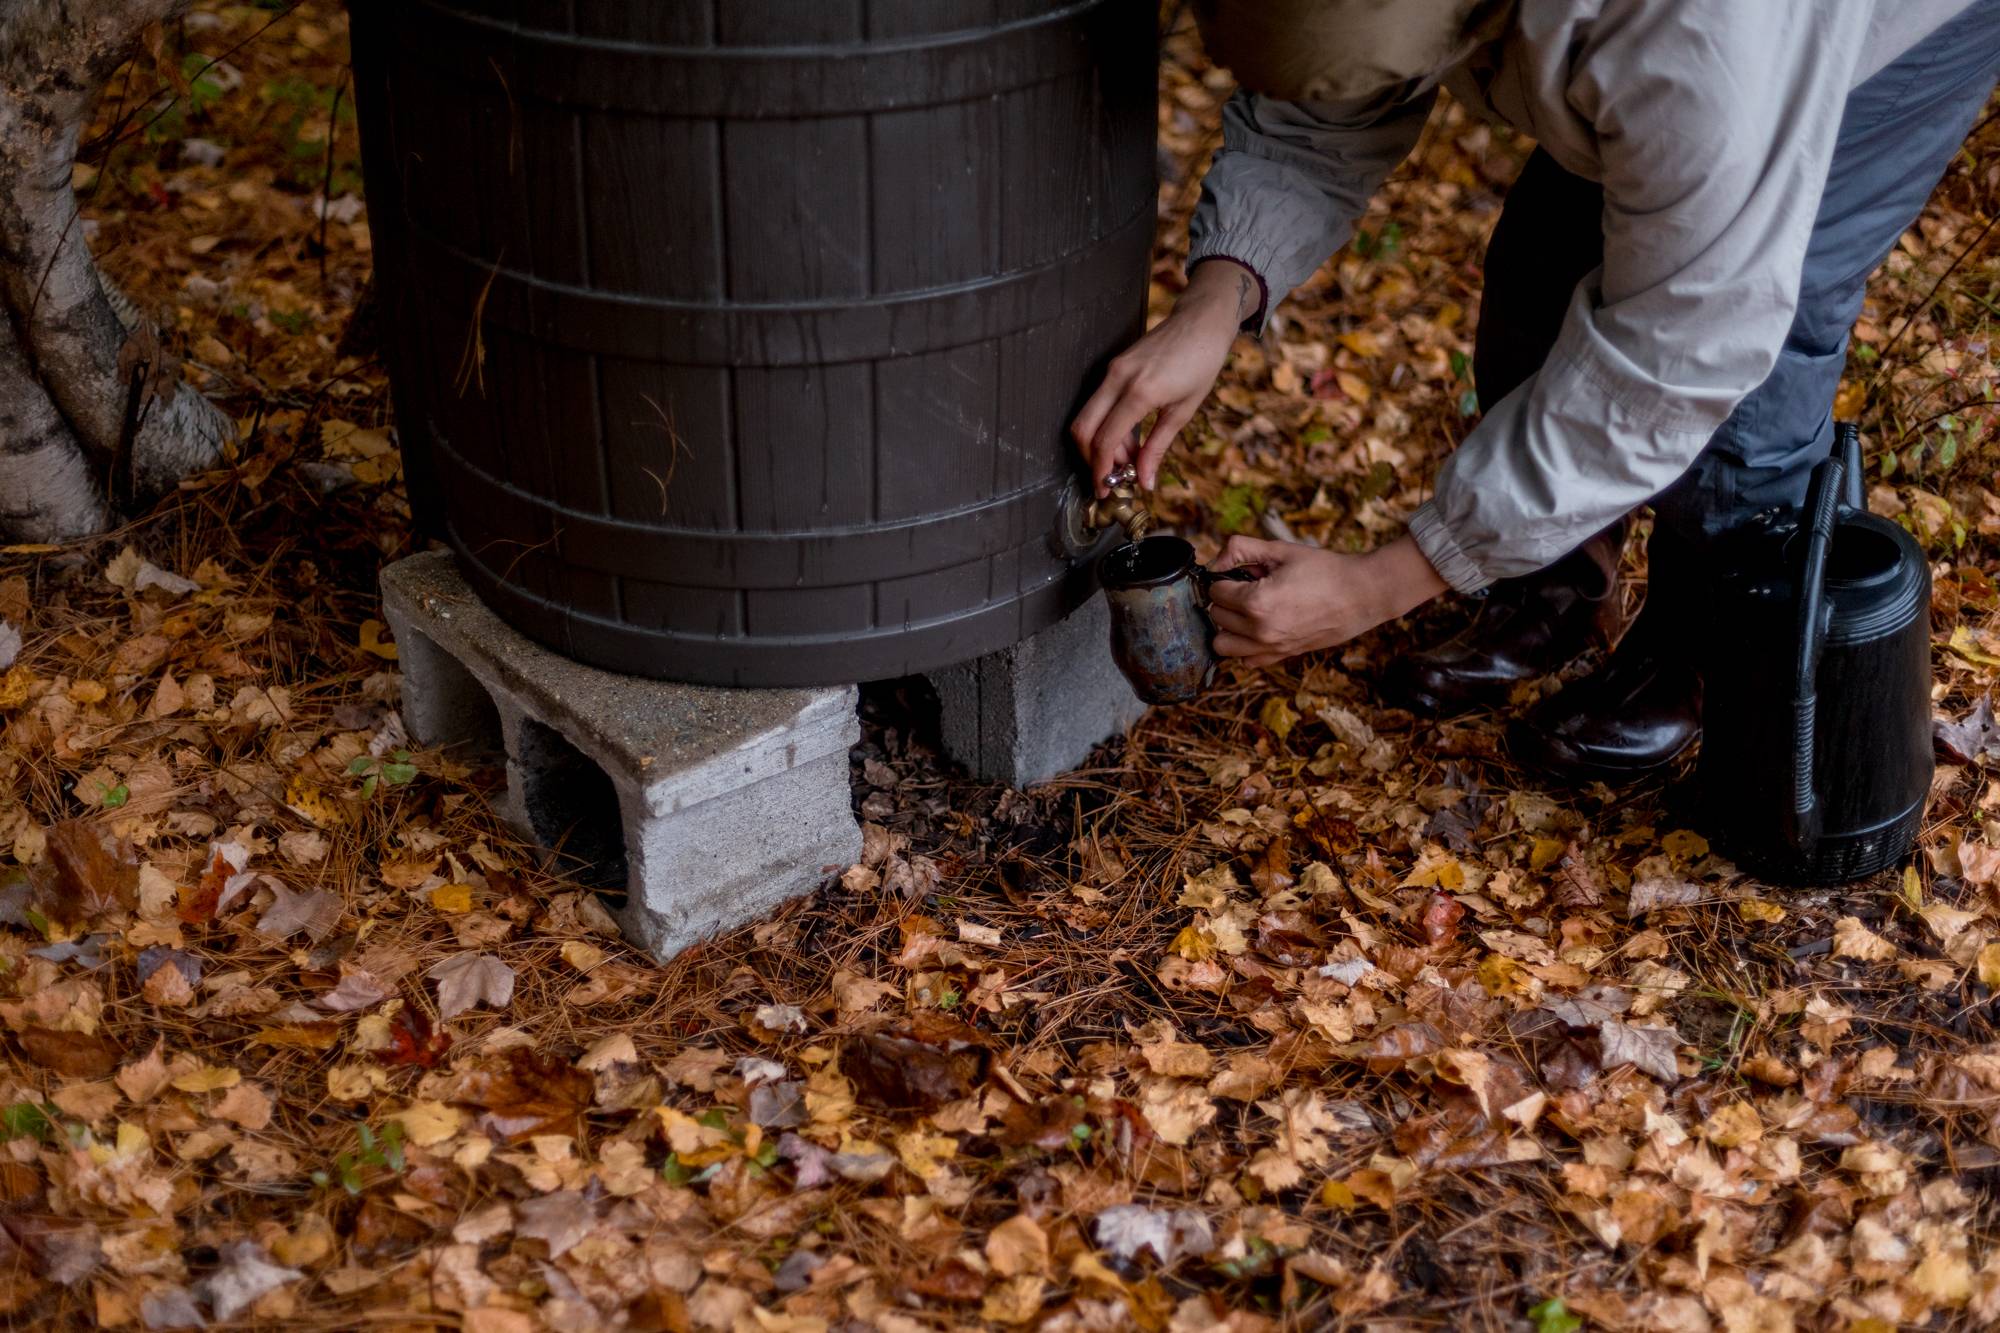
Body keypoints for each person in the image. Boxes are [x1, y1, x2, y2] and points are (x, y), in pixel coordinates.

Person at [1072, 0, 2000, 784]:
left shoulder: (1697, 45)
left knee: (1760, 365)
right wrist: (1219, 297)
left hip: (1881, 29)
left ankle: (1698, 644)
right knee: (1543, 264)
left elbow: (1686, 349)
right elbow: (1326, 100)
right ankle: (1555, 581)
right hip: (1658, 58)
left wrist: (1380, 584)